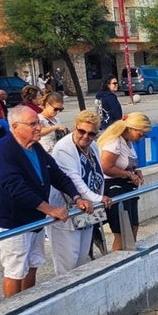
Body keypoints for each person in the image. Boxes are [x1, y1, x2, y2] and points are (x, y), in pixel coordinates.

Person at [0, 105, 93, 297]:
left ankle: (29, 301)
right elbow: (15, 187)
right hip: (14, 221)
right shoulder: (2, 150)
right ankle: (12, 312)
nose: (39, 127)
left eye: (38, 122)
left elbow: (57, 175)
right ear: (15, 126)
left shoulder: (35, 147)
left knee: (34, 262)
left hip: (35, 218)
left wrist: (77, 197)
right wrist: (50, 209)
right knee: (15, 269)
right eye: (32, 124)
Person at [47, 111, 111, 273]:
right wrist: (99, 198)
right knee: (67, 264)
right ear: (75, 127)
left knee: (82, 260)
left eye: (91, 133)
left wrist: (96, 201)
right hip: (66, 211)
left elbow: (98, 175)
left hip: (87, 210)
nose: (86, 136)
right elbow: (74, 180)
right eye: (81, 131)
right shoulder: (64, 149)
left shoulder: (93, 146)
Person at [97, 112, 152, 251]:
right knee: (122, 232)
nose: (141, 138)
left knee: (133, 227)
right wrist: (128, 174)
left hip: (127, 187)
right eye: (140, 134)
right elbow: (105, 167)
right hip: (114, 187)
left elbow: (126, 163)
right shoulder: (114, 142)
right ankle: (117, 262)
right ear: (131, 129)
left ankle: (129, 257)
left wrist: (136, 171)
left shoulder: (128, 142)